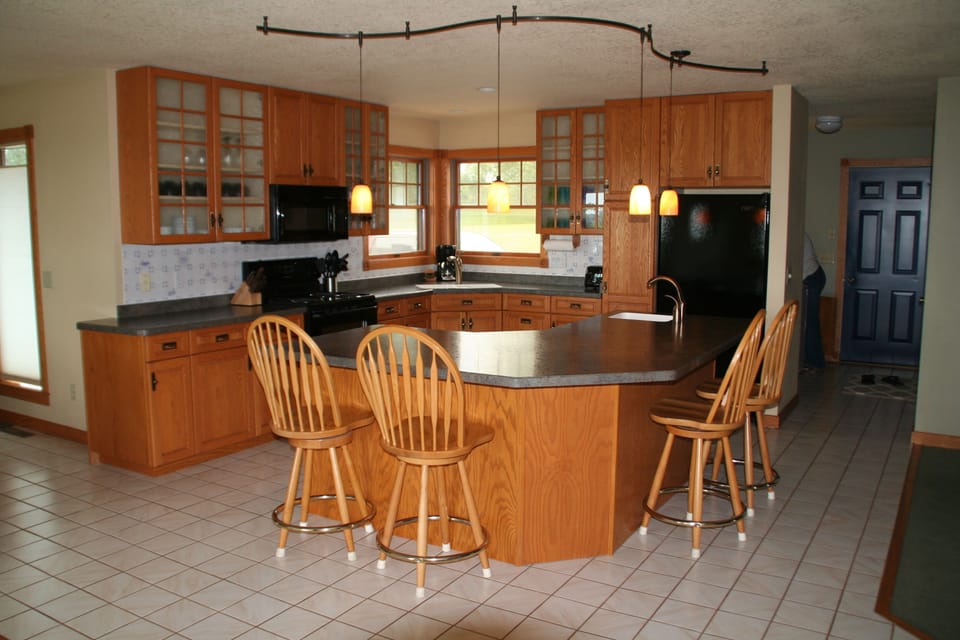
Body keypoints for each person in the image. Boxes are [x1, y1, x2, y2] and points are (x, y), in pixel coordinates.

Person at [802, 233, 826, 372]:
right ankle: (815, 361)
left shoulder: (793, 234)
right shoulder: (800, 233)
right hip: (814, 276)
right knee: (811, 321)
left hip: (811, 278)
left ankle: (814, 362)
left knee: (809, 322)